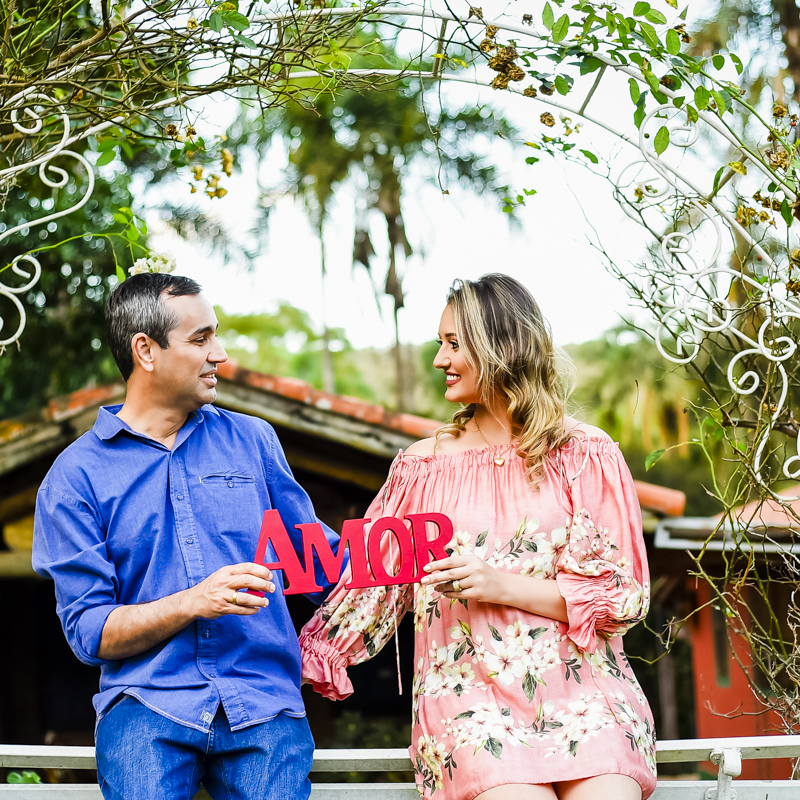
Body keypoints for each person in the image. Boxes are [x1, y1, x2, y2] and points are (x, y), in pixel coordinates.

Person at [298, 274, 656, 800]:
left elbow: (621, 599)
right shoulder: (421, 469)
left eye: (453, 344)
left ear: (500, 347)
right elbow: (369, 590)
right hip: (468, 701)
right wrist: (295, 657)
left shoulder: (586, 454)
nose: (439, 360)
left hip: (587, 695)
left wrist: (497, 584)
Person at [33, 270, 339, 800]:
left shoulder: (254, 441)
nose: (218, 353)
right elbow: (89, 633)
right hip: (148, 707)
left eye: (215, 335)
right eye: (200, 339)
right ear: (145, 350)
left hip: (263, 701)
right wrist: (194, 602)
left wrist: (414, 544)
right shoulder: (74, 476)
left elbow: (319, 564)